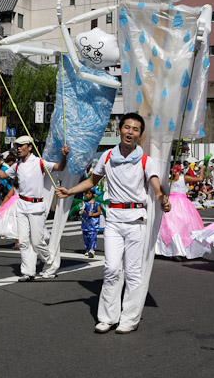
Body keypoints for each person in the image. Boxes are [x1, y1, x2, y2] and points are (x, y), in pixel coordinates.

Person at [57, 113, 170, 333]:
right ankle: (108, 317)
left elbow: (156, 187)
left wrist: (162, 199)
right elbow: (92, 181)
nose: (130, 132)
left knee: (134, 272)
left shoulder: (146, 160)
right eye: (127, 127)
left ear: (140, 135)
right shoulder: (107, 156)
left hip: (136, 219)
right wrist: (70, 191)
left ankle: (129, 318)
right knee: (111, 268)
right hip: (114, 219)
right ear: (119, 130)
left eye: (135, 129)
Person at [0, 136, 69, 281]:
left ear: (29, 147)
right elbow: (3, 175)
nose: (18, 148)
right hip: (21, 206)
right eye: (16, 145)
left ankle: (50, 260)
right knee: (23, 241)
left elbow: (59, 168)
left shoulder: (39, 162)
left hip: (36, 206)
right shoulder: (17, 165)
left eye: (21, 145)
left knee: (37, 241)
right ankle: (28, 272)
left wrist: (63, 156)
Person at [155, 162, 211, 260]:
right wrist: (202, 169)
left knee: (170, 227)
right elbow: (200, 179)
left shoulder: (167, 180)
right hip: (182, 203)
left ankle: (170, 250)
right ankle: (179, 250)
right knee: (185, 226)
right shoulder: (183, 178)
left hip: (171, 202)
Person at [80, 189, 101, 258]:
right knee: (86, 237)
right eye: (86, 194)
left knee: (92, 237)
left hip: (93, 223)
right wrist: (81, 212)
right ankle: (87, 249)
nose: (87, 195)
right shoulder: (84, 203)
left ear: (92, 194)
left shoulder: (96, 203)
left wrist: (93, 214)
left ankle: (92, 249)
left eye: (89, 194)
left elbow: (99, 212)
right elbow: (80, 210)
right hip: (85, 222)